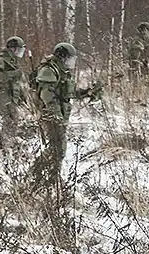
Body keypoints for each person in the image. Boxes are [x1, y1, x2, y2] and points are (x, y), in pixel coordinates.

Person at [34, 42, 102, 172]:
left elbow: (68, 92)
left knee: (59, 148)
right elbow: (47, 97)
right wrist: (56, 117)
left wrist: (87, 92)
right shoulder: (49, 70)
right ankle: (42, 172)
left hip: (60, 115)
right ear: (62, 57)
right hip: (51, 116)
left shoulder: (62, 71)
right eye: (70, 59)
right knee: (57, 148)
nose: (72, 62)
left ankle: (51, 173)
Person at [0, 36, 27, 122]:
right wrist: (13, 74)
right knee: (6, 121)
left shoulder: (13, 61)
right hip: (1, 96)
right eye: (19, 50)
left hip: (11, 96)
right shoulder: (0, 60)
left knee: (14, 121)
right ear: (13, 49)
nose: (20, 52)